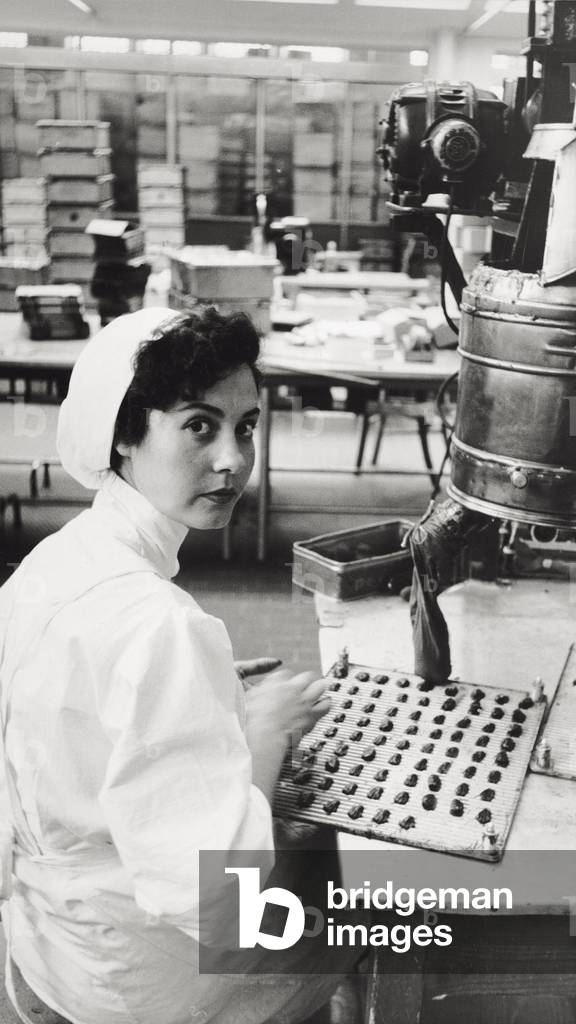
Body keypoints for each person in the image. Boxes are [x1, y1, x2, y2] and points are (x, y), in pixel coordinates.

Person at [0, 307, 347, 1024]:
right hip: (139, 981)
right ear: (124, 433)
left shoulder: (60, 556)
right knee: (360, 926)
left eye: (245, 426)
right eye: (198, 425)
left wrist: (203, 697)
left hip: (46, 944)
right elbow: (219, 899)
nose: (232, 459)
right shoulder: (160, 628)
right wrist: (264, 733)